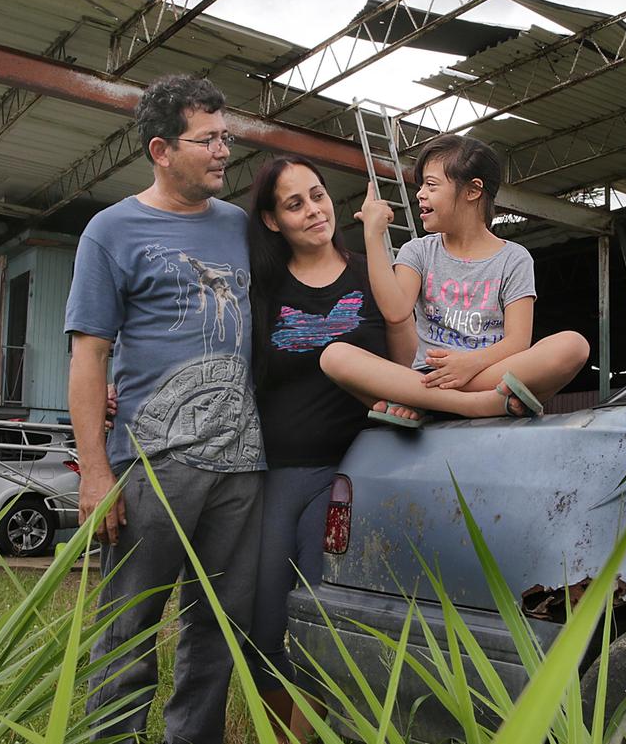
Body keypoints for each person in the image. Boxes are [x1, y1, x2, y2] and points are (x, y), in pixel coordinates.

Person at [65, 74, 263, 744]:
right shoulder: (111, 230)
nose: (222, 151)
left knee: (216, 624)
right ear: (161, 148)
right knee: (130, 623)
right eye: (206, 139)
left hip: (240, 464)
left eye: (225, 136)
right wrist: (95, 470)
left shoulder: (238, 226)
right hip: (151, 464)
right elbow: (89, 356)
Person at [243, 154, 415, 742]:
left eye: (318, 195)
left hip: (348, 475)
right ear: (273, 221)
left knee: (318, 622)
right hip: (273, 475)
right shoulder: (262, 286)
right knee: (262, 626)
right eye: (295, 203)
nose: (315, 210)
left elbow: (407, 359)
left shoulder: (370, 273)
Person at [319, 133, 590, 424]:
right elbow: (396, 311)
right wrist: (372, 235)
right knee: (333, 356)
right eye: (421, 184)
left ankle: (423, 403)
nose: (420, 193)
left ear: (473, 191)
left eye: (431, 185)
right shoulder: (419, 251)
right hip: (428, 376)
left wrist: (470, 364)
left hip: (484, 372)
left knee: (573, 346)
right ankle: (471, 404)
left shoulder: (514, 258)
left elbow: (518, 342)